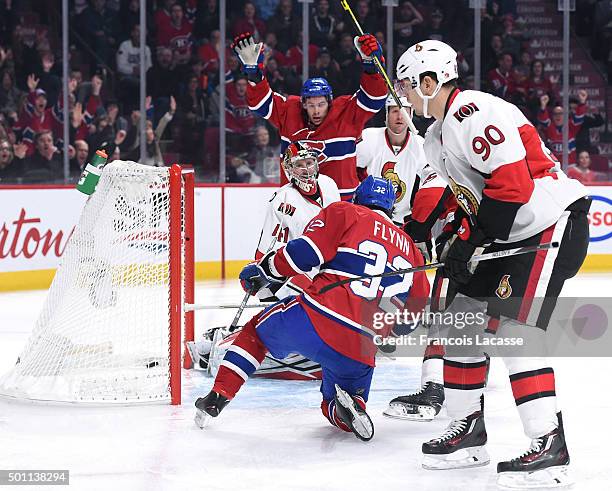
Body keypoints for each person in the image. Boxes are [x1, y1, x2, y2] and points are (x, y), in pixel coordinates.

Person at [393, 40, 590, 487]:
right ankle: (468, 432)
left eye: (407, 84)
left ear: (431, 81)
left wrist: (472, 241)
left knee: (514, 334)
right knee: (461, 324)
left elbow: (512, 185)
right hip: (512, 231)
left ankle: (549, 444)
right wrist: (451, 236)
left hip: (547, 225)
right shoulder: (436, 135)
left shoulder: (470, 113)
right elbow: (473, 198)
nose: (402, 94)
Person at [194, 176, 429, 441]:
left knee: (255, 334)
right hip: (363, 346)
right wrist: (387, 333)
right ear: (391, 208)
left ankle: (218, 396)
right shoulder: (412, 250)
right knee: (333, 402)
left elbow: (305, 253)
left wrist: (266, 269)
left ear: (357, 198)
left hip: (319, 317)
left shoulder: (345, 211)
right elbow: (412, 318)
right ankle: (349, 406)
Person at [187, 142, 340, 378]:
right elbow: (269, 243)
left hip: (330, 270)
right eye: (300, 165)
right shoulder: (282, 199)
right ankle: (224, 344)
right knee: (292, 321)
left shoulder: (329, 185)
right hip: (298, 272)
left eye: (310, 162)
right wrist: (258, 270)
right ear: (289, 169)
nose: (307, 169)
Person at [232, 32, 387, 200]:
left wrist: (372, 68)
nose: (316, 111)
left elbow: (374, 99)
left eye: (321, 104)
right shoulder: (289, 111)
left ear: (330, 102)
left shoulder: (345, 112)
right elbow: (260, 104)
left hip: (341, 203)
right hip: (298, 204)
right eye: (311, 105)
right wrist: (255, 76)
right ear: (303, 103)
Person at [537, 90, 587, 165]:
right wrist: (543, 106)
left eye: (561, 113)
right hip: (556, 167)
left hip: (570, 166)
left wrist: (582, 103)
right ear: (552, 116)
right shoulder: (551, 128)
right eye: (555, 114)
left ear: (566, 115)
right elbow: (543, 120)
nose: (558, 116)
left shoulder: (571, 127)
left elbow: (579, 117)